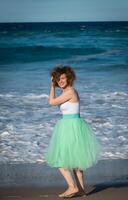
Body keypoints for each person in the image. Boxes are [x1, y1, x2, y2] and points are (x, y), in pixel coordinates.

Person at [45, 65, 101, 198]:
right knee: (76, 162)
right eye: (58, 79)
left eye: (63, 78)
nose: (60, 81)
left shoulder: (70, 92)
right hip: (72, 126)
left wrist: (52, 86)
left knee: (60, 160)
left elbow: (51, 102)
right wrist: (55, 84)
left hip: (70, 127)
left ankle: (72, 187)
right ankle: (81, 190)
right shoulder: (66, 92)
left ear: (69, 78)